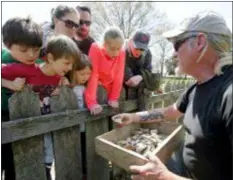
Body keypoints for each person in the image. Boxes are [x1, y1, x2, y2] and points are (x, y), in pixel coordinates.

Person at [112, 11, 232, 180]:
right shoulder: (196, 88)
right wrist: (133, 117)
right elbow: (169, 112)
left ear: (200, 42)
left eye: (177, 45)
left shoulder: (229, 95)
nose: (173, 54)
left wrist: (164, 176)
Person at [2, 35, 79, 180]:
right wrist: (9, 84)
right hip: (25, 128)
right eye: (67, 63)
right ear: (50, 58)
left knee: (46, 161)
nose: (70, 68)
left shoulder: (59, 78)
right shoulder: (28, 69)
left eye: (71, 64)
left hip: (46, 128)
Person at [1, 17, 44, 180]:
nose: (31, 55)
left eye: (36, 49)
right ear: (7, 44)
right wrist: (8, 83)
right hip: (4, 119)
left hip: (27, 120)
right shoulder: (3, 58)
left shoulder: (37, 63)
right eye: (24, 50)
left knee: (19, 166)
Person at [84, 26, 125, 115]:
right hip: (97, 85)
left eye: (118, 48)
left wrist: (114, 97)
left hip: (111, 84)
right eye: (113, 49)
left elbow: (119, 75)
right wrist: (92, 102)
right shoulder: (95, 48)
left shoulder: (122, 52)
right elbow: (93, 74)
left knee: (113, 112)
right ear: (104, 44)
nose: (116, 53)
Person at [67, 53, 92, 178]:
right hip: (72, 129)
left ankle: (85, 173)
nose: (86, 77)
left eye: (88, 74)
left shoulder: (87, 87)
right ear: (73, 71)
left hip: (86, 128)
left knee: (85, 152)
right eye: (82, 74)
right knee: (73, 154)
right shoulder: (68, 88)